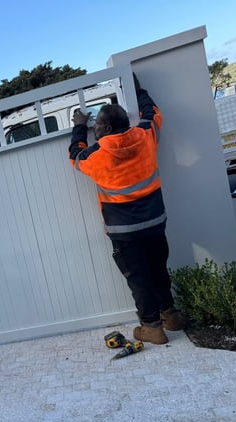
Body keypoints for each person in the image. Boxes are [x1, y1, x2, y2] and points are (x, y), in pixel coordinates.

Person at [68, 75, 185, 345]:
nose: (94, 127)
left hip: (125, 232)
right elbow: (152, 113)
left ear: (105, 127)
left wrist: (78, 127)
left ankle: (152, 328)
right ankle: (171, 316)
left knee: (139, 279)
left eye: (97, 123)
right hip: (156, 222)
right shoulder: (145, 137)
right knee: (158, 269)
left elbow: (75, 155)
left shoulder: (96, 156)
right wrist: (137, 89)